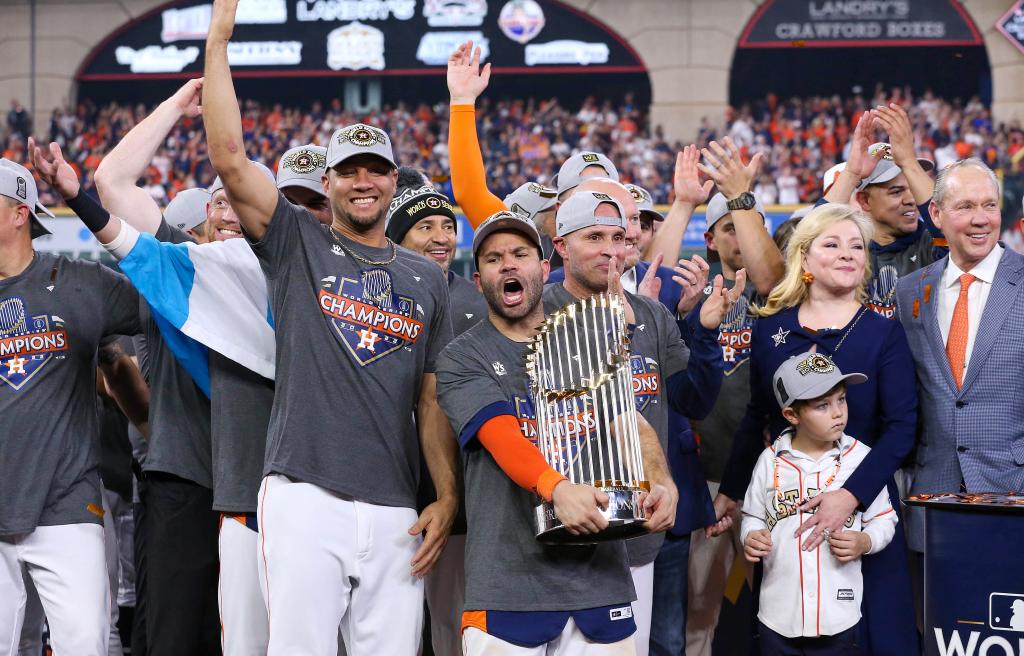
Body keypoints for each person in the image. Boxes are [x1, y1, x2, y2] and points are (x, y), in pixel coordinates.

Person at [201, 3, 458, 654]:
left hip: (397, 506)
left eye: (375, 169)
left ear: (394, 181)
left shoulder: (428, 279)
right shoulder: (298, 243)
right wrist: (220, 41)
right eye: (349, 170)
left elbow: (430, 401)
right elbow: (232, 162)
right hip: (303, 495)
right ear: (329, 182)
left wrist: (446, 496)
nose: (363, 180)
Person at [436, 207, 676, 654]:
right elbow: (500, 434)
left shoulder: (586, 341)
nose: (508, 263)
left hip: (601, 580)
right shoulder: (461, 357)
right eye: (493, 258)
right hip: (511, 585)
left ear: (544, 268)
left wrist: (660, 480)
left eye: (521, 253)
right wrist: (557, 487)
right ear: (478, 279)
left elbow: (629, 420)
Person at [715, 203, 920, 655]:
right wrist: (731, 491)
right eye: (833, 244)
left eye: (856, 246)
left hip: (865, 511)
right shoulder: (771, 328)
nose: (848, 254)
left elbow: (903, 427)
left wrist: (851, 496)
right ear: (804, 259)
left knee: (877, 637)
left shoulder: (884, 331)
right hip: (790, 521)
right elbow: (758, 416)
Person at [545, 189, 742, 655]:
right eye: (593, 237)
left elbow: (692, 398)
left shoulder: (652, 315)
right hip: (563, 526)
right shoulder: (541, 309)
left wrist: (707, 333)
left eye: (617, 236)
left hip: (637, 528)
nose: (610, 249)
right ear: (560, 246)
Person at [0, 158, 141, 655]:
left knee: (85, 646)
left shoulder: (82, 284)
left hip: (66, 505)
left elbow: (167, 305)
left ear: (20, 213)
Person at [894, 159, 1024, 568]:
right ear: (936, 214)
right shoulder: (910, 290)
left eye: (989, 205)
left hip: (1014, 495)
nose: (980, 219)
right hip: (934, 499)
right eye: (965, 206)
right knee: (934, 628)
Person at [686, 139, 784, 656]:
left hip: (769, 478)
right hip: (708, 478)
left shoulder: (780, 298)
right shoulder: (691, 297)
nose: (743, 238)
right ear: (709, 238)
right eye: (730, 228)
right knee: (700, 607)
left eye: (750, 227)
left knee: (777, 601)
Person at [384, 166, 487, 655]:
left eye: (447, 225)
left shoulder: (475, 299)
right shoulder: (377, 294)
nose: (441, 236)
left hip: (460, 495)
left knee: (454, 625)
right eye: (425, 227)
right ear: (398, 236)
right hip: (387, 490)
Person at [742, 352, 897, 655]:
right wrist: (750, 535)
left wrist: (865, 541)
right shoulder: (769, 460)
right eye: (823, 405)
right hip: (778, 615)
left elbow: (885, 519)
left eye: (841, 399)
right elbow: (752, 516)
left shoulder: (861, 458)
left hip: (838, 615)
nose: (838, 412)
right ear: (791, 415)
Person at [823, 105, 942, 318]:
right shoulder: (846, 251)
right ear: (864, 201)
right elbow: (810, 238)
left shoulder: (933, 245)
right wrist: (851, 173)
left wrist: (908, 162)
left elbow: (948, 221)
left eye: (912, 188)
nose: (911, 200)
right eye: (896, 191)